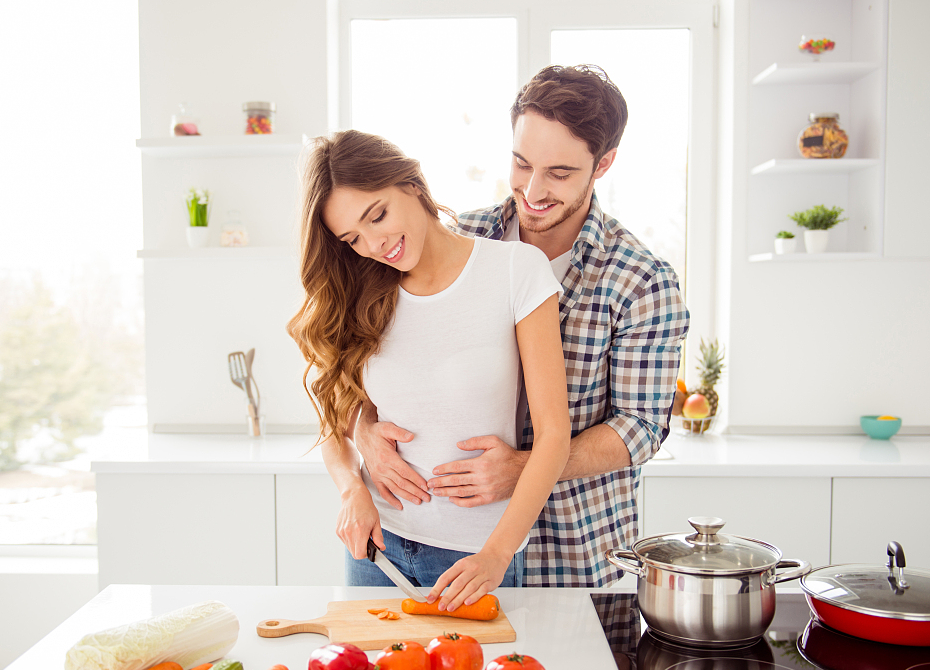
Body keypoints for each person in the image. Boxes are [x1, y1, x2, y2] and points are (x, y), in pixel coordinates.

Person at [355, 65, 691, 587]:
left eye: (559, 173)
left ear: (603, 164)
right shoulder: (457, 238)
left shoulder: (642, 282)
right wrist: (366, 433)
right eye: (521, 163)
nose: (532, 190)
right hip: (446, 543)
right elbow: (380, 363)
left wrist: (527, 465)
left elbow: (642, 427)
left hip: (574, 549)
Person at [287, 130, 571, 610]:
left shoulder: (515, 270)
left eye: (377, 215)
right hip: (378, 549)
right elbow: (333, 413)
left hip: (475, 560)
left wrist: (497, 554)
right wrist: (351, 487)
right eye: (353, 238)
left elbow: (554, 431)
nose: (375, 244)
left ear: (412, 184)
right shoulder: (362, 291)